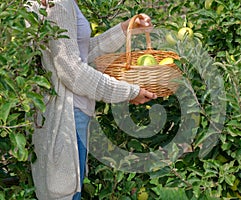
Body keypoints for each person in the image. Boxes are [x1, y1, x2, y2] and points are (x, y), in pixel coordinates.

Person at [28, 0, 157, 199]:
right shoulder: (59, 3)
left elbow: (81, 53)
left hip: (72, 113)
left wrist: (124, 29)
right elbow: (72, 72)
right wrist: (129, 92)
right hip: (67, 116)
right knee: (65, 193)